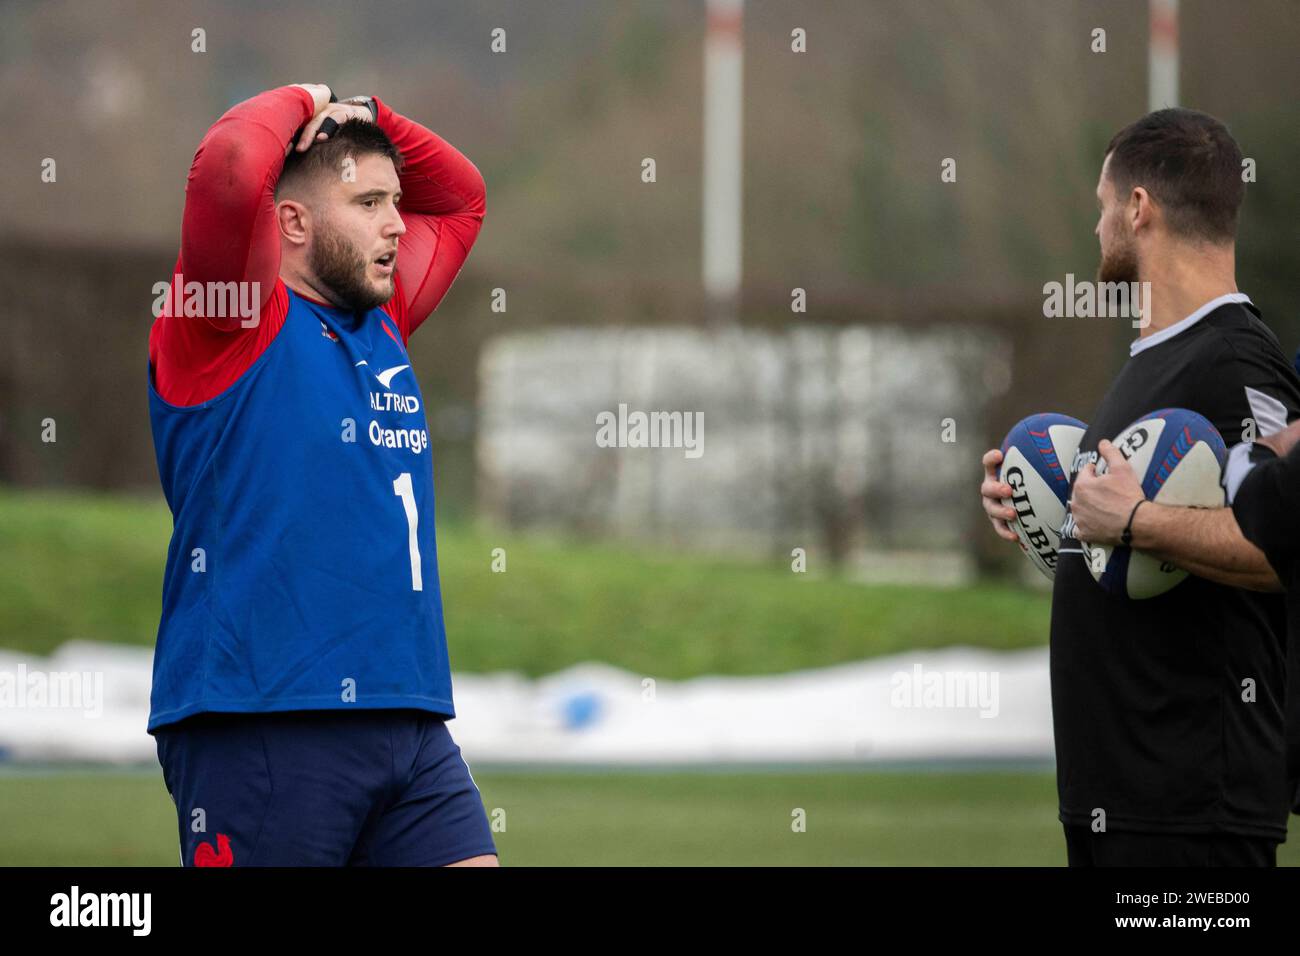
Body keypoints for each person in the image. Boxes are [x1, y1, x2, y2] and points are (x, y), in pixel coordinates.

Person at [146, 83, 496, 866]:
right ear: (292, 223)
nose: (398, 223)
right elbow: (233, 166)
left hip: (408, 725)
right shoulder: (228, 317)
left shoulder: (381, 319)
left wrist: (370, 111)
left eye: (396, 201)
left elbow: (465, 196)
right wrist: (311, 94)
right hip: (263, 718)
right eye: (369, 201)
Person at [981, 108, 1299, 866]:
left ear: (1138, 209)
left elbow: (1280, 545)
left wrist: (1130, 522)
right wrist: (1057, 520)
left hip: (1190, 809)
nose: (1096, 228)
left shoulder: (1235, 362)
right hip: (1122, 800)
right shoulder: (1157, 355)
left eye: (1101, 206)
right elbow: (1146, 541)